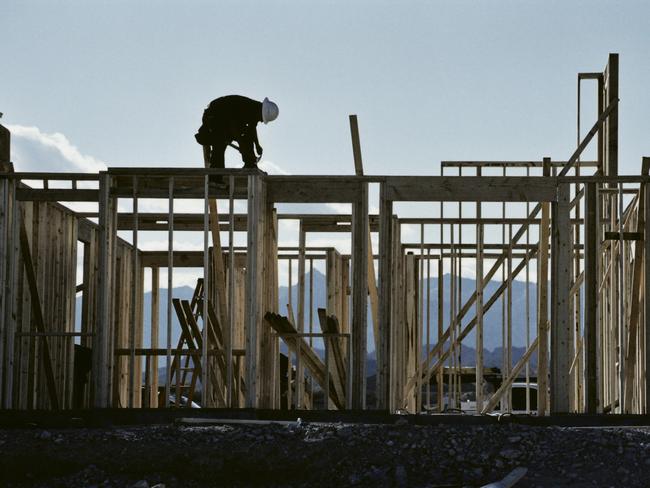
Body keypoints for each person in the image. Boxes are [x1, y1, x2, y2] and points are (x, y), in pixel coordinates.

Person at [195, 95, 279, 184]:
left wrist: (257, 145)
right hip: (213, 116)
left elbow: (251, 130)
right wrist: (243, 147)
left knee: (245, 136)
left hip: (225, 119)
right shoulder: (247, 109)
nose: (262, 121)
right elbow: (235, 128)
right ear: (261, 113)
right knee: (220, 143)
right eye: (263, 119)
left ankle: (250, 164)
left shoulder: (255, 110)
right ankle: (214, 179)